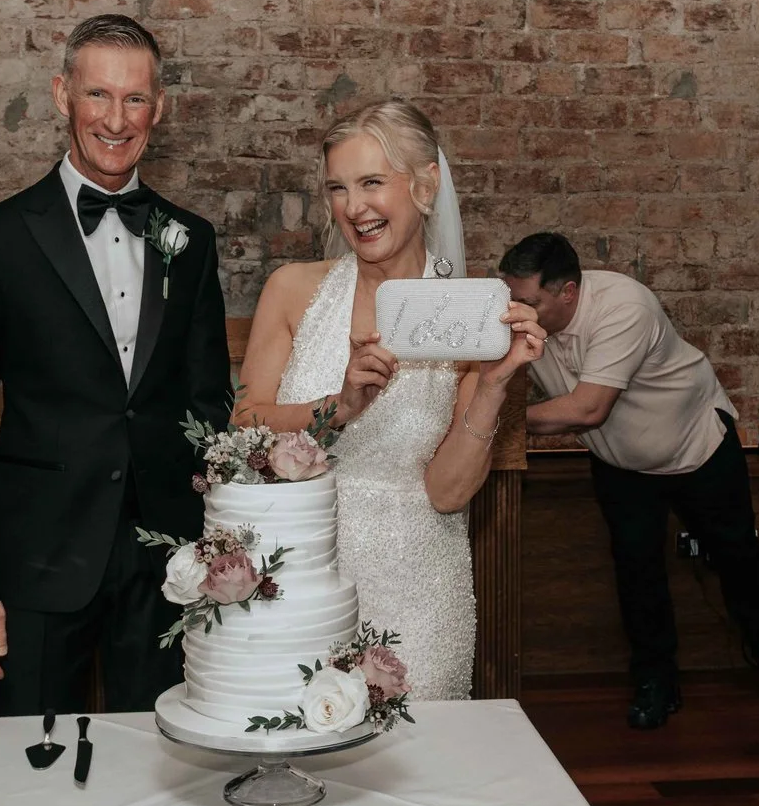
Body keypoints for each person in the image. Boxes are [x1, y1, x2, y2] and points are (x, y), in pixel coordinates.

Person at [0, 15, 231, 715]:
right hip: (37, 558)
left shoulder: (191, 239)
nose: (116, 119)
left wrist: (215, 548)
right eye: (98, 94)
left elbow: (209, 403)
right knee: (30, 756)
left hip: (165, 563)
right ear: (61, 95)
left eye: (135, 99)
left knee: (164, 754)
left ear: (159, 108)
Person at [232, 99, 545, 700]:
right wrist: (338, 407)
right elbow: (243, 427)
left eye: (372, 182)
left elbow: (447, 493)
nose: (354, 207)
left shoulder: (469, 315)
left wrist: (493, 383)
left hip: (417, 594)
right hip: (297, 579)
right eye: (338, 188)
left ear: (426, 184)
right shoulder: (292, 289)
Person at [500, 233, 759, 729]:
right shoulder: (519, 313)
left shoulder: (624, 307)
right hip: (622, 463)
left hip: (696, 444)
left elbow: (588, 409)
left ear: (569, 292)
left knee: (736, 555)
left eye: (529, 302)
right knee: (637, 570)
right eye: (511, 297)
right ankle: (655, 677)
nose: (515, 312)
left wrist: (493, 421)